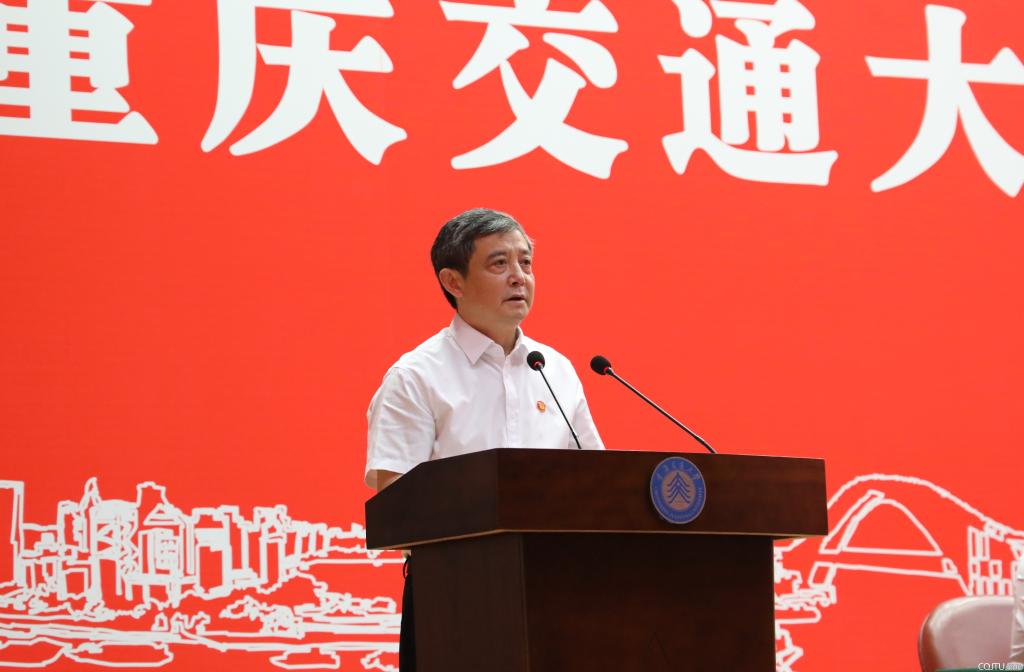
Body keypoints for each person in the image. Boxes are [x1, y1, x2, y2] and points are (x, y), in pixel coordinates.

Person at [365, 207, 604, 671]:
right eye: (499, 263)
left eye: (525, 262)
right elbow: (396, 507)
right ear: (453, 281)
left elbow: (596, 482)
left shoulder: (554, 370)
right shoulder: (416, 377)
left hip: (556, 590)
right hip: (454, 596)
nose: (519, 277)